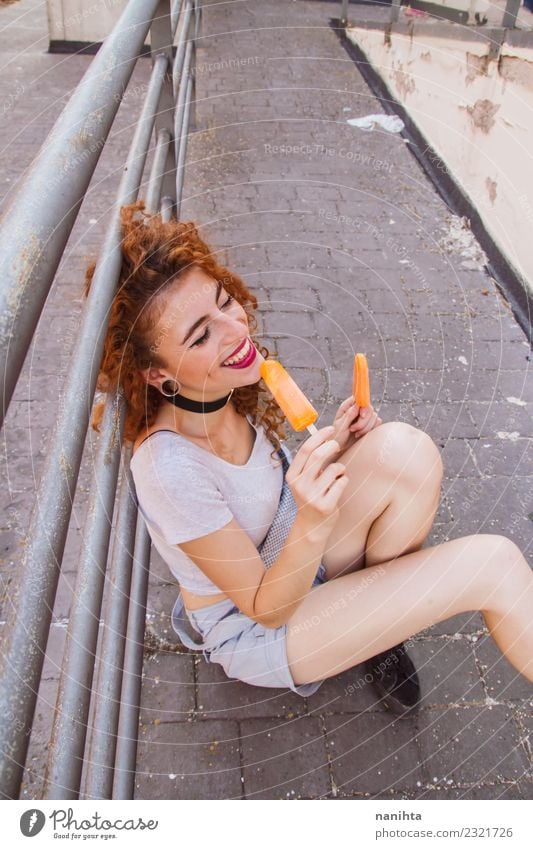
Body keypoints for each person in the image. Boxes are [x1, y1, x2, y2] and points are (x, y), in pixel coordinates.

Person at [85, 200, 533, 713]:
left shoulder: (217, 390)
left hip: (291, 546)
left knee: (404, 451)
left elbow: (270, 497)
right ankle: (374, 618)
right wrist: (315, 518)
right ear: (157, 375)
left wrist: (337, 445)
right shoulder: (168, 470)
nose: (236, 330)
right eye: (202, 335)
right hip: (254, 620)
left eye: (223, 301)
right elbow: (264, 607)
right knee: (493, 565)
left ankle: (378, 632)